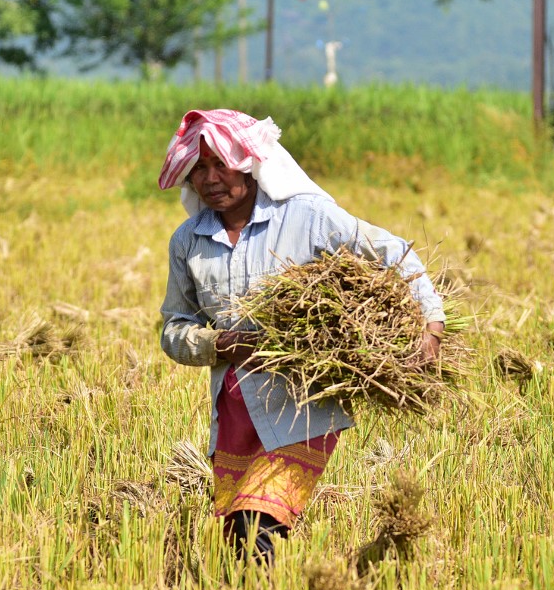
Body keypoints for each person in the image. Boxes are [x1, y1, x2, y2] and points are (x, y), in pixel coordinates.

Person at [158, 109, 445, 564]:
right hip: (233, 408)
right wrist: (217, 345)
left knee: (257, 524)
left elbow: (393, 253)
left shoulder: (307, 217)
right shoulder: (188, 242)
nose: (210, 178)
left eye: (221, 165)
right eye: (199, 168)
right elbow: (174, 328)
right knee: (237, 533)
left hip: (302, 407)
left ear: (249, 165)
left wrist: (431, 322)